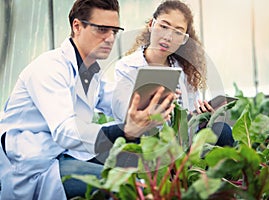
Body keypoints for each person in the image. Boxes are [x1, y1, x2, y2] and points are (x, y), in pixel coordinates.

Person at [0, 0, 175, 199]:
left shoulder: (90, 72)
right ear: (77, 26)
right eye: (102, 29)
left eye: (114, 31)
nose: (110, 38)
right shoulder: (49, 68)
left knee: (146, 173)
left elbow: (116, 103)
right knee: (126, 185)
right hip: (34, 164)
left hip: (65, 154)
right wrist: (125, 130)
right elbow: (65, 131)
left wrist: (152, 103)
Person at [112, 0, 234, 147]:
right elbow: (123, 118)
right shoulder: (126, 67)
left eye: (177, 32)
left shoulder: (184, 70)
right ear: (151, 25)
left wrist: (201, 118)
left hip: (182, 145)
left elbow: (188, 122)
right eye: (163, 26)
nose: (168, 37)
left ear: (184, 39)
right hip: (147, 143)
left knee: (223, 131)